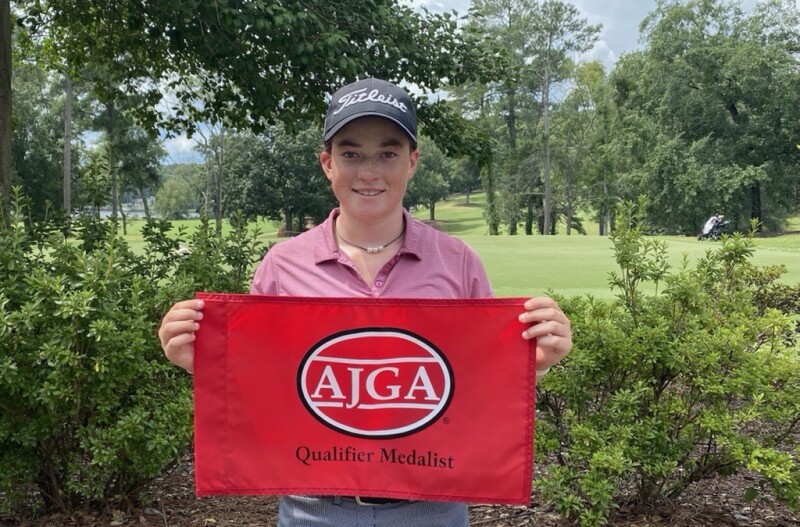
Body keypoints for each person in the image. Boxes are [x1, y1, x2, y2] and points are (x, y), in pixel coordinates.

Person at [158, 77, 573, 527]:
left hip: (433, 510)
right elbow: (265, 387)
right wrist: (202, 362)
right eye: (351, 154)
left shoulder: (457, 263)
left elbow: (476, 387)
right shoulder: (282, 265)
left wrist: (538, 361)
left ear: (412, 162)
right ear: (327, 164)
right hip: (312, 512)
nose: (369, 171)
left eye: (388, 153)